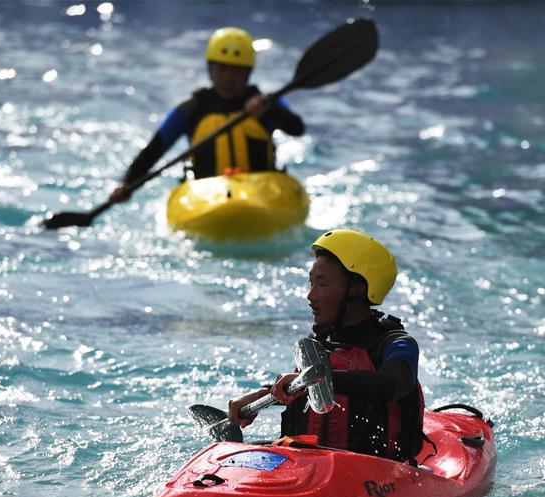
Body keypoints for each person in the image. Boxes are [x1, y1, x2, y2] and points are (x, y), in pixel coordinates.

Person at [229, 229, 426, 463]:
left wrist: (316, 378)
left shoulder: (395, 343)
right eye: (311, 282)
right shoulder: (319, 340)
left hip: (378, 474)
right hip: (311, 465)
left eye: (321, 283)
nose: (310, 296)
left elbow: (395, 384)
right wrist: (264, 393)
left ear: (357, 288)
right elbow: (305, 387)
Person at [108, 27, 305, 203]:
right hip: (207, 195)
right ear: (210, 69)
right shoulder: (190, 110)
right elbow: (154, 151)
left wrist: (270, 109)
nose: (229, 77)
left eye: (237, 71)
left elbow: (297, 128)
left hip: (262, 190)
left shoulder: (266, 103)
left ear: (248, 73)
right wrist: (126, 184)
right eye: (222, 68)